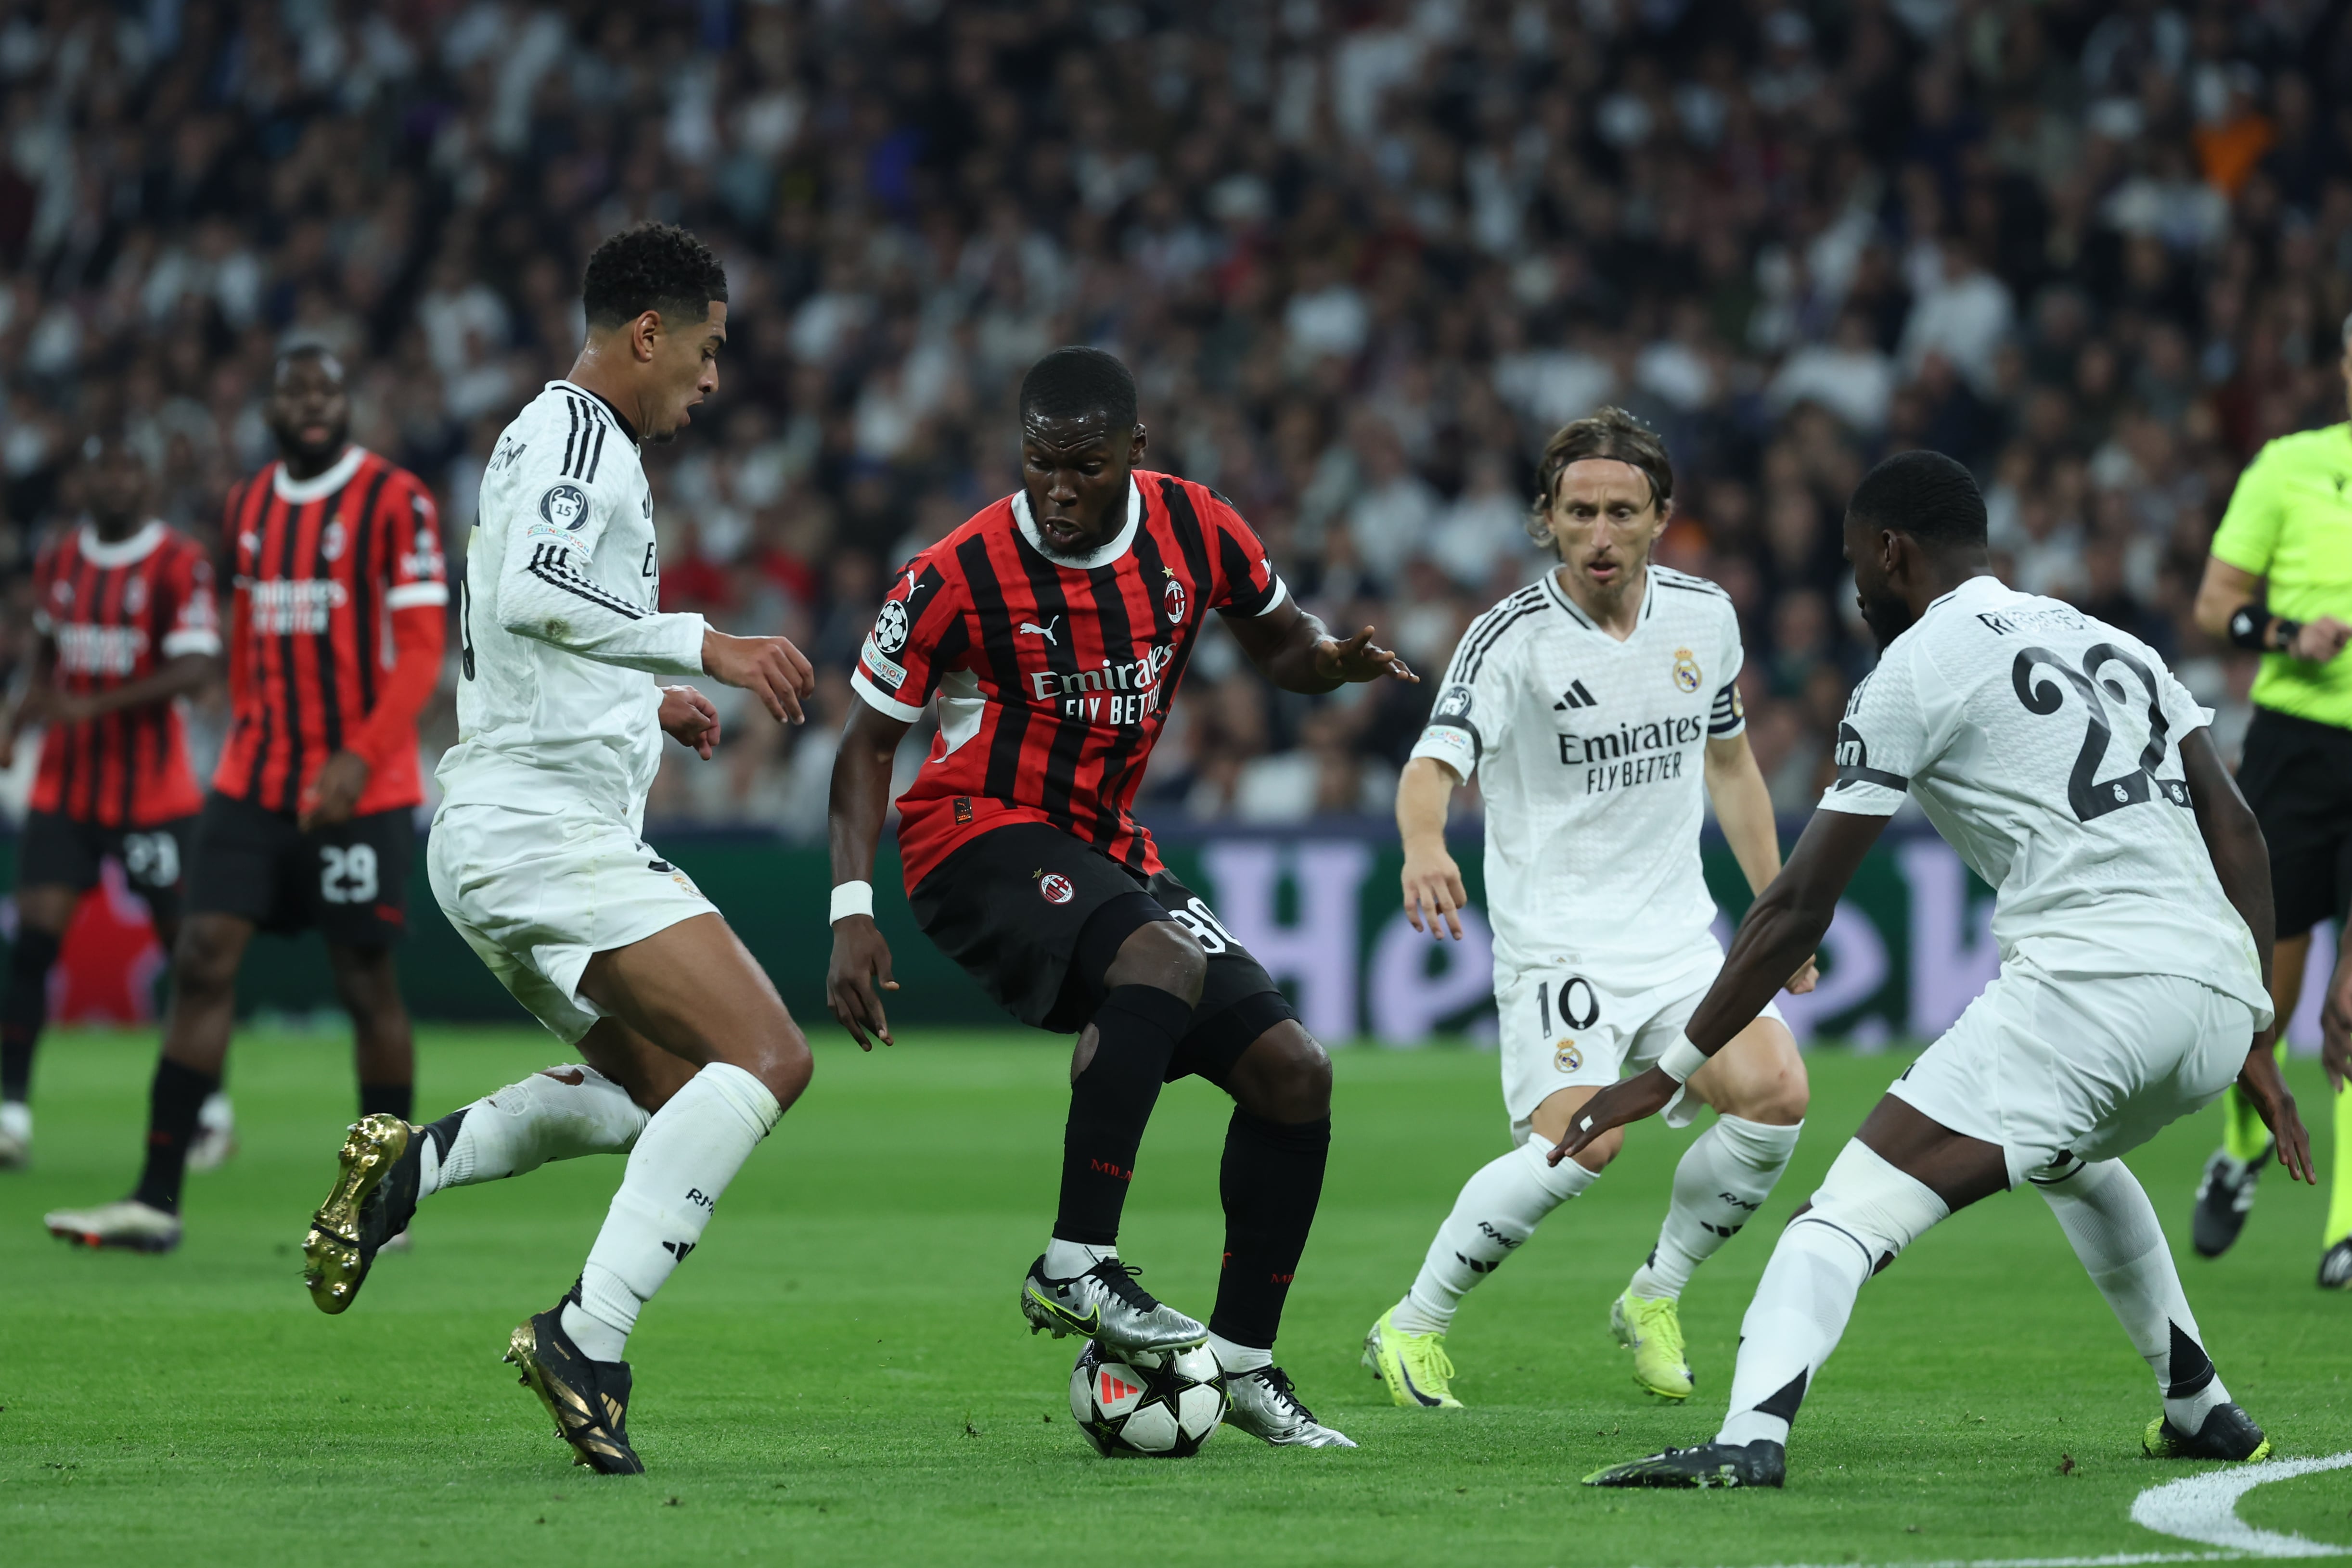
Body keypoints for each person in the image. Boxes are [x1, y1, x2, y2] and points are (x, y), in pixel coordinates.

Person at [1567, 450, 2312, 1490]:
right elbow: (2235, 831)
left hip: (2094, 989)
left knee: (1842, 1215)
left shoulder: (1913, 669)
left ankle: (1747, 1440)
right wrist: (2261, 1035)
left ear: (1890, 551)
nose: (1855, 591)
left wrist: (1665, 1068)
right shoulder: (2113, 641)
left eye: (1853, 565)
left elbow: (1794, 906)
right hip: (2215, 994)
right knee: (2065, 1157)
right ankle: (2197, 1405)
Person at [296, 222, 817, 1477]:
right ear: (651, 332)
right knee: (767, 1056)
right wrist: (708, 647)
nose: (710, 375)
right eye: (706, 347)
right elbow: (530, 591)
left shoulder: (560, 441)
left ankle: (411, 1169)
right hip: (541, 834)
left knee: (663, 1092)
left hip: (498, 835)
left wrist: (644, 702)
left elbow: (531, 629)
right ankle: (587, 1335)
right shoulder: (582, 435)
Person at [825, 346, 1415, 1449]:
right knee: (1161, 960)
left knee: (1294, 1073)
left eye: (1082, 467)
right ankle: (1075, 1262)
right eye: (1038, 464)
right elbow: (865, 746)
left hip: (1107, 843)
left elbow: (1281, 643)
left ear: (1133, 455)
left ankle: (1240, 1363)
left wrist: (1329, 664)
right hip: (971, 835)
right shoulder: (954, 572)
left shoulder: (1198, 527)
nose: (1056, 488)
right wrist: (849, 908)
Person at [1362, 408, 1814, 1410]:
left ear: (1660, 517)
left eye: (1620, 512)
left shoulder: (1705, 618)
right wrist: (1425, 841)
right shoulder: (1507, 641)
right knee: (1584, 1142)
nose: (1599, 535)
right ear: (1546, 520)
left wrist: (1777, 909)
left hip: (1674, 939)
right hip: (1558, 944)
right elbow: (1431, 764)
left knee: (1777, 1094)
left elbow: (1732, 763)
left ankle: (1654, 1294)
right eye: (1577, 513)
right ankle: (1412, 1320)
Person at [43, 347, 446, 1251]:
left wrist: (358, 753)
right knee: (202, 959)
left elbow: (421, 647)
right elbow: (241, 626)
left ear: (348, 404)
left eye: (327, 390)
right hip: (251, 779)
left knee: (364, 981)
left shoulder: (395, 501)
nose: (311, 404)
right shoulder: (248, 505)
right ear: (268, 406)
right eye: (294, 390)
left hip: (360, 783)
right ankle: (156, 1199)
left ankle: (383, 1207)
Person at [2185, 314, 2352, 1286]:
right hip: (2294, 751)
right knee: (2266, 994)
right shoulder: (2286, 466)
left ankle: (2343, 1227)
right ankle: (2240, 1143)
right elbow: (2213, 605)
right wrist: (2286, 632)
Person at [0, 432, 220, 1168]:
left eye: (130, 467)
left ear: (149, 480)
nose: (118, 481)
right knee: (32, 945)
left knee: (188, 957)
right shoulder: (60, 556)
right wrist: (13, 720)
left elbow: (195, 667)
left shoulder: (178, 562)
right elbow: (44, 653)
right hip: (66, 786)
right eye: (105, 468)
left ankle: (209, 1111)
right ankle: (12, 1116)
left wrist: (96, 708)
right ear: (84, 481)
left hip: (154, 793)